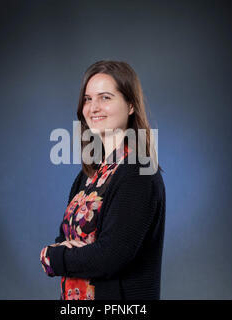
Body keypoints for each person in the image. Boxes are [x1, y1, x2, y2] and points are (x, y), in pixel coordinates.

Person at [40, 60, 166, 300]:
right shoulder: (88, 176)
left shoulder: (139, 172)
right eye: (88, 99)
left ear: (130, 105)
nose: (93, 107)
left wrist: (52, 258)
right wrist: (75, 253)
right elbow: (64, 238)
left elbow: (110, 257)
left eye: (105, 98)